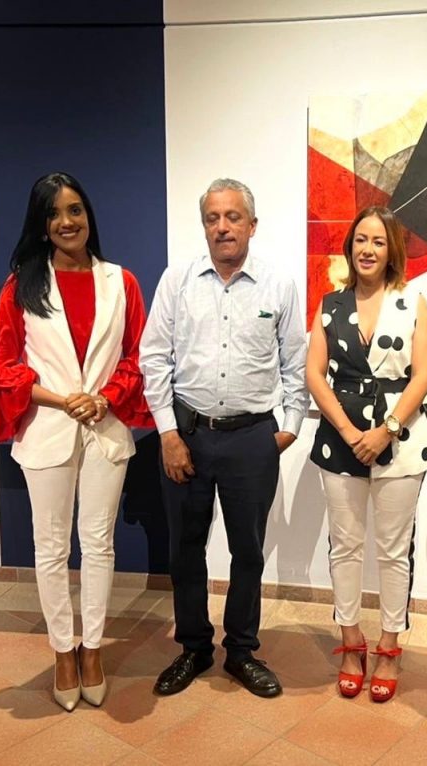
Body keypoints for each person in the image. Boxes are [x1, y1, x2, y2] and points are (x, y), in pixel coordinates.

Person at [0, 172, 152, 712]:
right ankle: (62, 653)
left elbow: (138, 356)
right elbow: (2, 366)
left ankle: (92, 649)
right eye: (54, 213)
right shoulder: (21, 286)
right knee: (50, 547)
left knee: (98, 544)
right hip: (46, 431)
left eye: (75, 210)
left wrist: (105, 398)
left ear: (88, 214)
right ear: (41, 224)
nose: (67, 222)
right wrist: (61, 399)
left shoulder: (122, 282)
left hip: (106, 431)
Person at [139, 178, 308, 698]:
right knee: (186, 549)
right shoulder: (178, 281)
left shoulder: (278, 285)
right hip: (187, 434)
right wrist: (168, 433)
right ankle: (193, 647)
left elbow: (295, 363)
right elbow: (153, 358)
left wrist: (287, 428)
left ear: (252, 225)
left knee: (248, 551)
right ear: (204, 226)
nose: (222, 227)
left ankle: (241, 650)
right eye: (212, 218)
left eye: (233, 217)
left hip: (252, 437)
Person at [306, 206, 427, 703]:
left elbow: (422, 376)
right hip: (338, 442)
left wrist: (386, 431)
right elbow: (315, 373)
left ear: (392, 250)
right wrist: (347, 430)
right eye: (361, 239)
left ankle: (389, 647)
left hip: (400, 443)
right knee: (345, 546)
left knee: (394, 550)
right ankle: (351, 642)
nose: (368, 249)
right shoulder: (330, 305)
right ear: (350, 246)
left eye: (379, 241)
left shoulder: (412, 302)